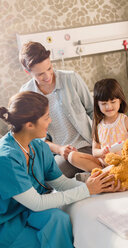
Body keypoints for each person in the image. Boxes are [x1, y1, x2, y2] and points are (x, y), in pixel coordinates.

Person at [0, 91, 121, 248]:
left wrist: (98, 186)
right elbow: (36, 203)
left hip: (28, 212)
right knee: (34, 241)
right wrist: (86, 190)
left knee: (60, 219)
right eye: (46, 117)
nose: (50, 121)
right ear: (29, 125)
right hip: (8, 221)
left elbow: (61, 183)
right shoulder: (6, 158)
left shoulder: (39, 146)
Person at [19, 41, 93, 178]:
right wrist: (59, 149)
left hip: (85, 145)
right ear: (27, 72)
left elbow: (93, 111)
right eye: (40, 74)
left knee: (56, 176)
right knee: (40, 177)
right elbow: (34, 138)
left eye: (49, 68)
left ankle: (90, 176)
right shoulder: (27, 94)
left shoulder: (71, 79)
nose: (47, 76)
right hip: (56, 152)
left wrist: (101, 142)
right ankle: (89, 177)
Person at [67, 78, 128, 172]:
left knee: (126, 164)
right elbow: (95, 152)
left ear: (120, 101)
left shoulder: (126, 121)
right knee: (72, 156)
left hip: (122, 162)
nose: (109, 107)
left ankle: (104, 174)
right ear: (98, 104)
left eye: (113, 102)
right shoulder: (97, 125)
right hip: (103, 163)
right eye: (104, 103)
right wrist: (102, 152)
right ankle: (104, 173)